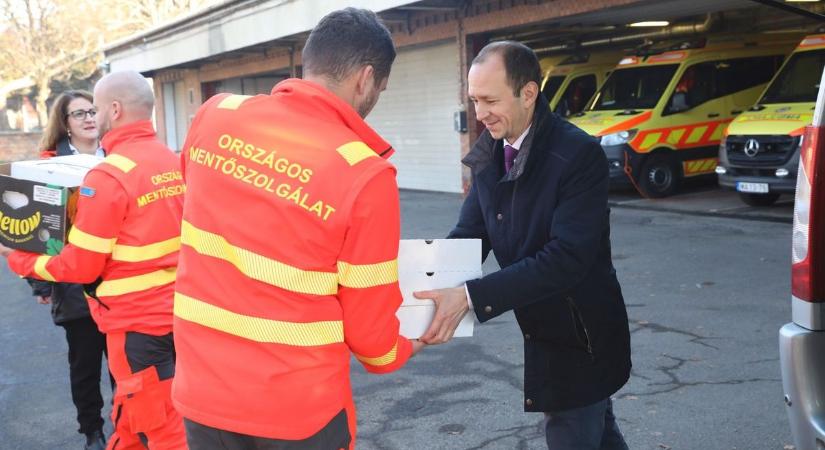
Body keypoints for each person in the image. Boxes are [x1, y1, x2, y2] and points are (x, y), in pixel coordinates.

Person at [171, 7, 424, 449]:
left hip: (202, 396)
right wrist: (405, 346)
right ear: (366, 79)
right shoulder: (364, 174)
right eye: (380, 88)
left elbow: (200, 209)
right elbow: (370, 332)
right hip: (297, 412)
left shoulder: (214, 115)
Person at [413, 41, 632, 450]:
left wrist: (470, 297)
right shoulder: (490, 156)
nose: (479, 114)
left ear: (528, 93)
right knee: (599, 433)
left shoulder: (577, 155)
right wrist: (413, 295)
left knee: (578, 429)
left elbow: (568, 258)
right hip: (545, 328)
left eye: (490, 100)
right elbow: (470, 237)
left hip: (581, 337)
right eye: (474, 100)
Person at [0, 71, 188, 449]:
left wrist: (21, 259)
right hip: (177, 317)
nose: (93, 117)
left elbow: (81, 265)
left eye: (97, 109)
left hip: (136, 327)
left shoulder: (108, 177)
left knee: (158, 427)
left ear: (114, 110)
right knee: (140, 417)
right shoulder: (171, 160)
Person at [28, 89, 109, 450]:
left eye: (93, 111)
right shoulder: (49, 166)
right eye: (79, 114)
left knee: (125, 365)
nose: (89, 118)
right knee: (86, 366)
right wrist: (39, 283)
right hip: (75, 281)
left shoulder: (118, 157)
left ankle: (130, 427)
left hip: (120, 279)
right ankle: (92, 431)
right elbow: (34, 231)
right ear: (65, 124)